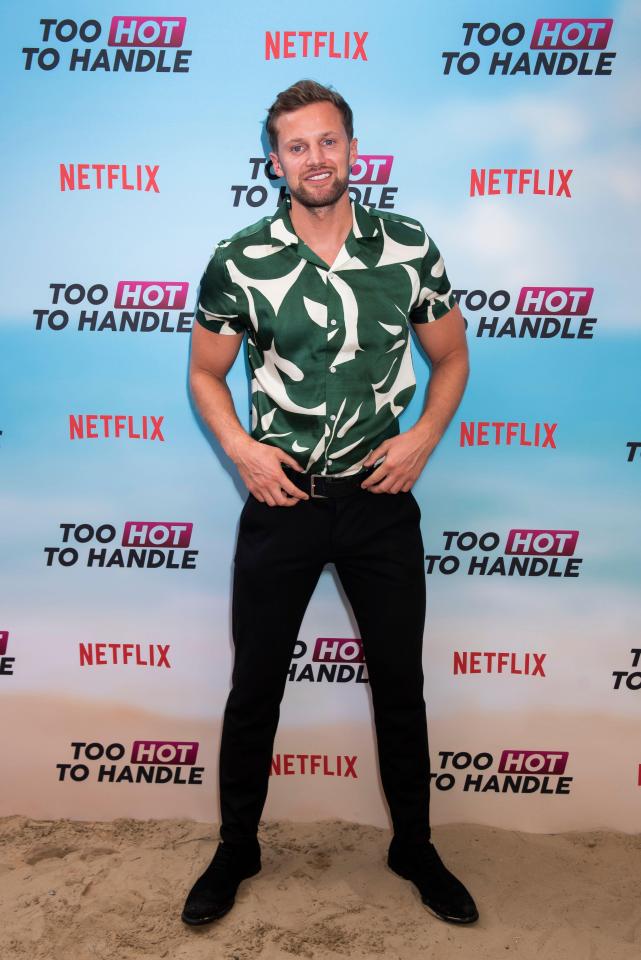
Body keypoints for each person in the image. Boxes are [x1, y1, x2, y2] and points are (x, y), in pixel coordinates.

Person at [181, 79, 477, 927]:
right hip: (284, 501)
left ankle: (413, 845)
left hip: (381, 500)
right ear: (274, 161)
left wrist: (421, 437)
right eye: (297, 146)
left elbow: (450, 358)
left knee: (399, 685)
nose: (315, 158)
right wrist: (240, 451)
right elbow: (206, 374)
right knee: (256, 685)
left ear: (354, 149)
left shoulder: (408, 246)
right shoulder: (239, 257)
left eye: (328, 142)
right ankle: (238, 846)